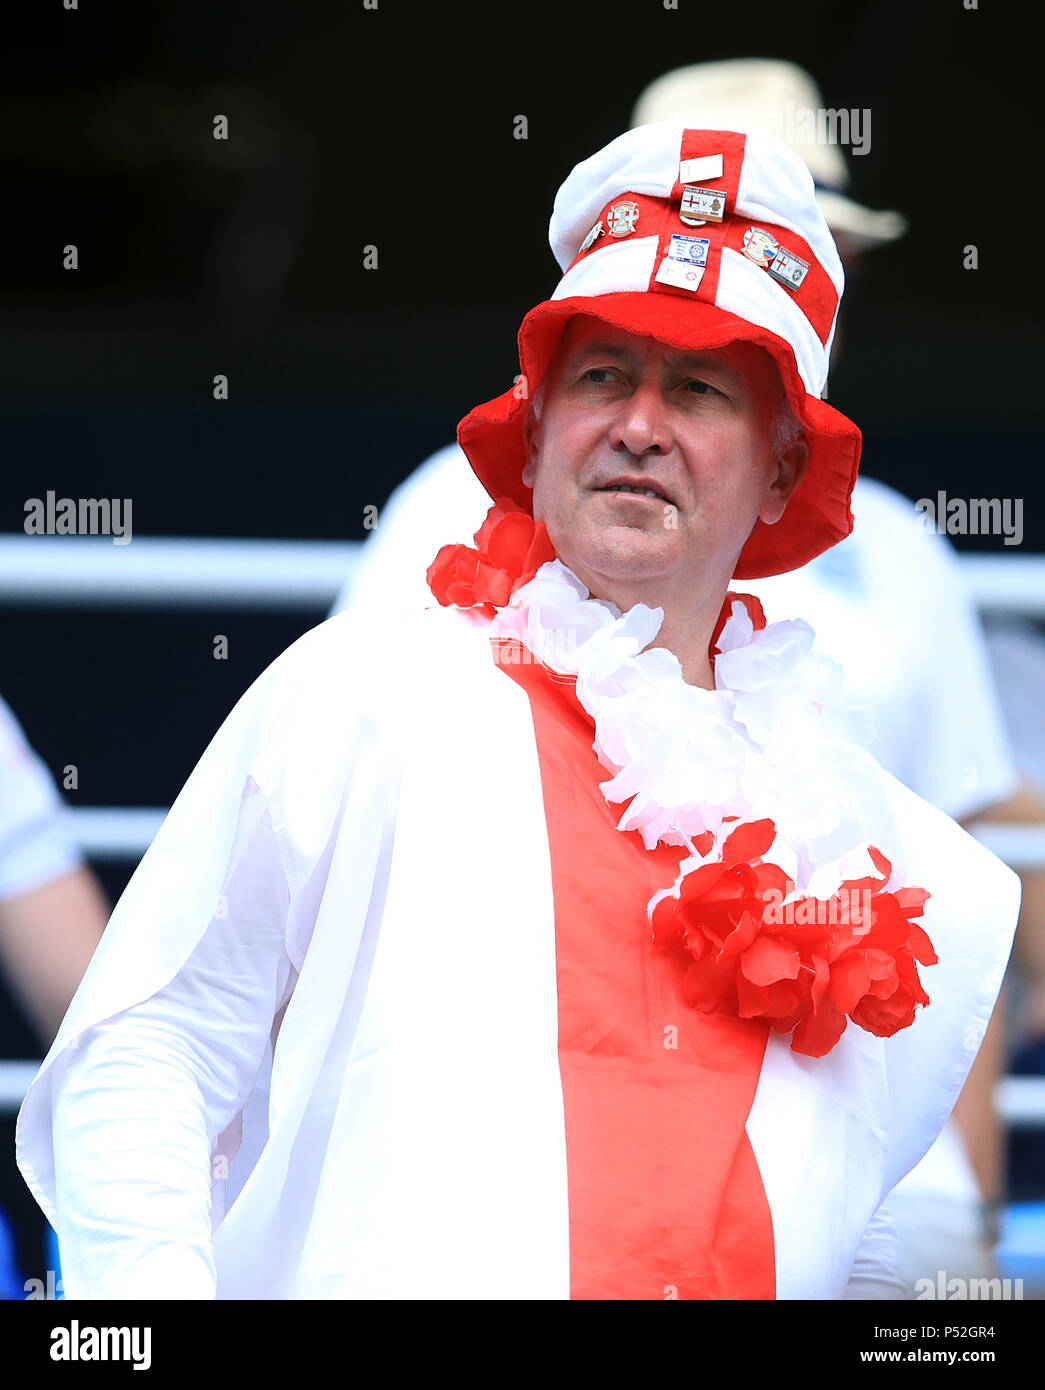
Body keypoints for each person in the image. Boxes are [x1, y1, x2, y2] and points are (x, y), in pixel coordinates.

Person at [16, 120, 1019, 1300]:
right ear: (536, 428)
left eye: (698, 387)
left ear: (784, 470)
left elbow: (894, 1243)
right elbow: (149, 1051)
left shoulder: (896, 868)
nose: (638, 422)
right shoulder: (360, 699)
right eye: (602, 374)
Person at [331, 60, 1038, 1291]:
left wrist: (957, 1202)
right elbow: (336, 829)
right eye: (608, 372)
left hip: (863, 1189)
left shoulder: (905, 550)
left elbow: (956, 890)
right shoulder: (443, 511)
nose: (642, 425)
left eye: (817, 242)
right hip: (511, 1163)